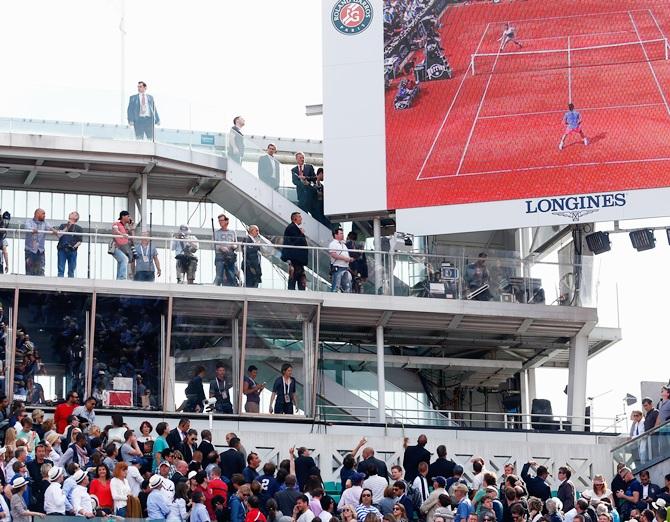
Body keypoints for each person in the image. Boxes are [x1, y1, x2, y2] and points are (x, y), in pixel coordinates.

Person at [24, 208, 56, 276]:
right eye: (43, 214)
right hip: (30, 250)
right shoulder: (29, 222)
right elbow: (27, 228)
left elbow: (50, 228)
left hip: (40, 251)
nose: (44, 215)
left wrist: (53, 230)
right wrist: (32, 230)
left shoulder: (45, 222)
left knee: (41, 270)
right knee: (29, 270)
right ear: (37, 214)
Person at [282, 212, 309, 291]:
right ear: (295, 218)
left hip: (298, 260)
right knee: (294, 277)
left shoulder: (294, 228)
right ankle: (292, 293)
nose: (301, 219)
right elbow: (294, 242)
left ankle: (300, 293)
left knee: (300, 278)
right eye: (299, 217)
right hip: (295, 259)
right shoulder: (292, 228)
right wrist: (301, 234)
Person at [56, 211, 83, 278]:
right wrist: (67, 226)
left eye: (72, 213)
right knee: (61, 269)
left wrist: (73, 247)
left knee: (71, 270)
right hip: (62, 249)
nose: (70, 213)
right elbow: (59, 235)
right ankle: (60, 283)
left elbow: (80, 241)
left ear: (76, 217)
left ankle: (70, 283)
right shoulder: (63, 225)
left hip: (72, 250)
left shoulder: (79, 228)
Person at [214, 214, 238, 286]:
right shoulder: (216, 233)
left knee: (231, 275)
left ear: (226, 221)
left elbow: (236, 243)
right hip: (220, 256)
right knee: (219, 275)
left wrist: (233, 246)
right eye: (219, 221)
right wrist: (221, 247)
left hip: (230, 256)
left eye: (222, 220)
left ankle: (233, 290)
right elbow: (214, 245)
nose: (220, 222)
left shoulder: (232, 232)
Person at [111, 210, 134, 280]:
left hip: (122, 248)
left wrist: (131, 227)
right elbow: (115, 230)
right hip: (115, 247)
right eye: (128, 216)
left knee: (121, 261)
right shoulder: (116, 223)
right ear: (123, 216)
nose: (129, 218)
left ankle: (119, 279)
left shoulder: (126, 228)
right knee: (124, 259)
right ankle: (122, 278)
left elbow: (132, 239)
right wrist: (122, 234)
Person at [329, 228, 353, 293]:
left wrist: (349, 259)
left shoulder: (343, 245)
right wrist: (345, 258)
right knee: (336, 285)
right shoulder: (333, 244)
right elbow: (333, 254)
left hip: (345, 267)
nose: (343, 235)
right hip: (338, 267)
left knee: (346, 286)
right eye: (341, 233)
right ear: (336, 235)